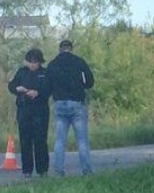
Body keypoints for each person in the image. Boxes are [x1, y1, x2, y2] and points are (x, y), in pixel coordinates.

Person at [42, 39, 95, 176]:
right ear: (71, 49)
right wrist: (81, 87)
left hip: (60, 103)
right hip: (77, 103)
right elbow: (89, 82)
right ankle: (86, 170)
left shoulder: (53, 64)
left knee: (60, 140)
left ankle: (59, 170)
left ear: (60, 49)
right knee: (82, 140)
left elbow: (46, 86)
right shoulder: (79, 61)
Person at [7, 48, 50, 178]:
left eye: (35, 62)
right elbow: (11, 85)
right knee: (25, 141)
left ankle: (42, 170)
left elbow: (49, 89)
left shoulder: (45, 73)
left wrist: (38, 93)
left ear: (40, 62)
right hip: (24, 110)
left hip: (40, 111)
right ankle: (27, 170)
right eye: (30, 62)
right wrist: (17, 89)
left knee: (40, 141)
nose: (32, 64)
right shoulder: (21, 72)